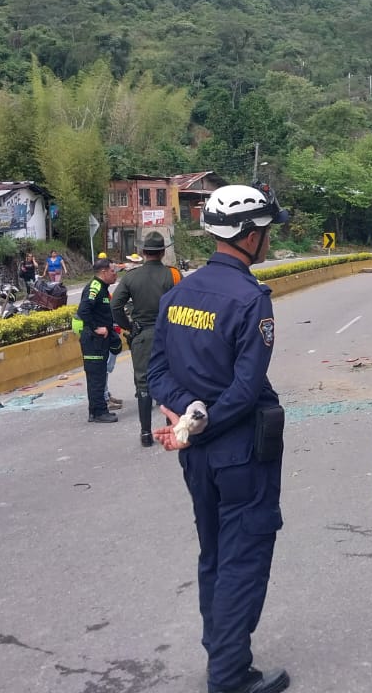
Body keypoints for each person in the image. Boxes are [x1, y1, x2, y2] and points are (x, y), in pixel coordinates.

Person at [149, 183, 291, 693]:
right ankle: (229, 674)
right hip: (239, 452)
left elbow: (156, 370)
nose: (269, 240)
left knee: (213, 552)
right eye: (266, 231)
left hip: (197, 455)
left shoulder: (179, 292)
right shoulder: (252, 301)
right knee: (244, 556)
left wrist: (188, 415)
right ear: (248, 236)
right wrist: (205, 417)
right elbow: (246, 387)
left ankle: (222, 652)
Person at [111, 231, 179, 447]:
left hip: (142, 336)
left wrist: (129, 326)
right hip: (168, 334)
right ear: (162, 253)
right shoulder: (174, 275)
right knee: (170, 378)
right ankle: (171, 425)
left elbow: (115, 306)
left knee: (143, 383)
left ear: (143, 252)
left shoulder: (130, 277)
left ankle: (145, 434)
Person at [76, 257, 120, 423]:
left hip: (99, 341)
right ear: (103, 272)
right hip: (93, 340)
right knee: (96, 376)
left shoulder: (102, 287)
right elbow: (83, 310)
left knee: (99, 375)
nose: (114, 274)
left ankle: (97, 410)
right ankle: (98, 412)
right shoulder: (94, 287)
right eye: (112, 271)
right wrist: (96, 328)